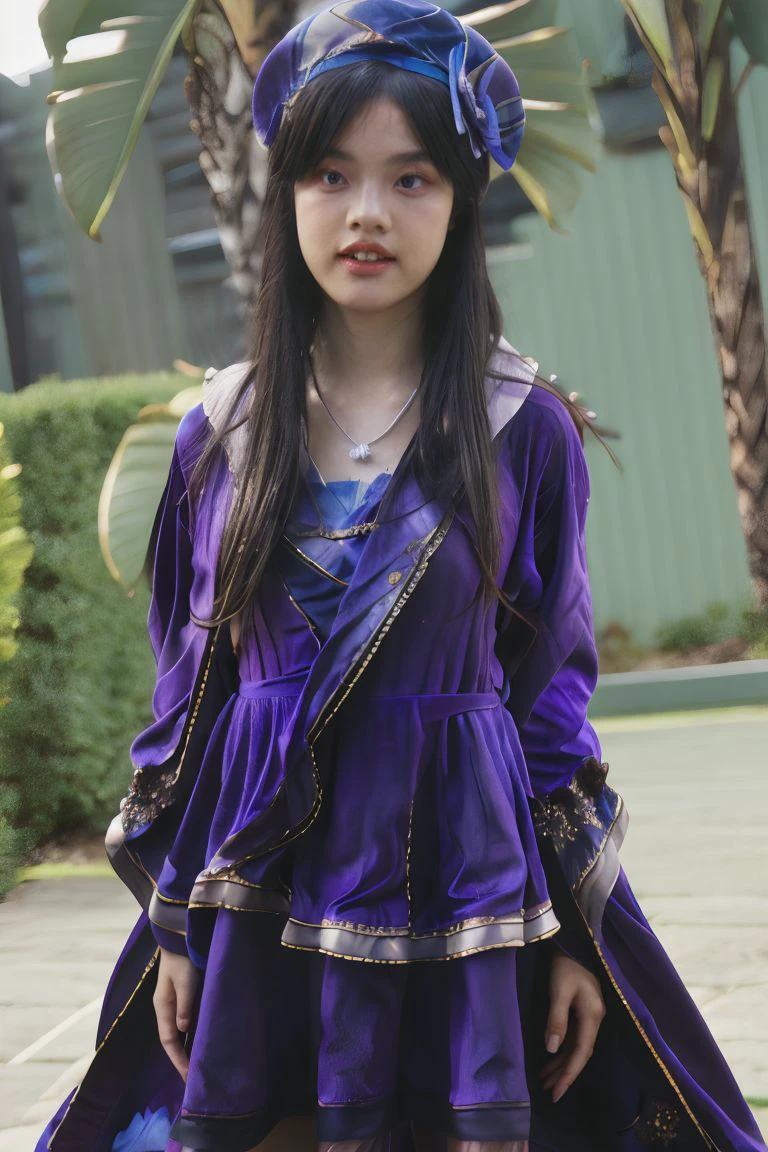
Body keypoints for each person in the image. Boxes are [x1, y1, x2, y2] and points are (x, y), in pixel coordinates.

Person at [35, 2, 766, 1150]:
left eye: (411, 178)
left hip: (461, 878)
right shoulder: (219, 435)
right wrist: (179, 926)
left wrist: (576, 935)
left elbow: (549, 697)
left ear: (462, 203)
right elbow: (187, 695)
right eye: (331, 174)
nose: (366, 212)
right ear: (288, 198)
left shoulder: (522, 427)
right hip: (260, 886)